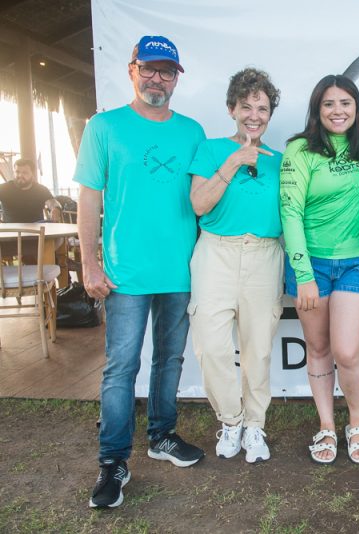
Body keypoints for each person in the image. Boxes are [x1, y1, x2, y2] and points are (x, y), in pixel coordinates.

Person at [75, 35, 206, 509]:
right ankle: (113, 462)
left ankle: (162, 435)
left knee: (169, 361)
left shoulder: (191, 131)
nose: (157, 79)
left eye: (166, 71)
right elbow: (88, 196)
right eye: (149, 69)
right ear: (132, 70)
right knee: (121, 369)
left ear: (176, 78)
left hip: (179, 269)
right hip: (125, 273)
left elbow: (202, 199)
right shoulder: (105, 127)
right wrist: (89, 262)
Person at [187, 68, 283, 464]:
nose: (254, 115)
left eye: (262, 108)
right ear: (232, 109)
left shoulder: (281, 160)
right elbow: (198, 205)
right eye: (247, 106)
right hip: (216, 252)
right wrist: (233, 162)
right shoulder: (210, 150)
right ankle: (231, 420)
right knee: (211, 346)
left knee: (258, 348)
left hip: (264, 254)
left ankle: (255, 425)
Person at [280, 75, 359, 464]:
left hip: (357, 260)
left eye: (346, 103)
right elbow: (290, 212)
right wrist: (302, 274)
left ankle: (357, 423)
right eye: (328, 104)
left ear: (356, 108)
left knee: (347, 349)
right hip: (311, 265)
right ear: (317, 111)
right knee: (319, 349)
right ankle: (326, 426)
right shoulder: (300, 150)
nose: (338, 111)